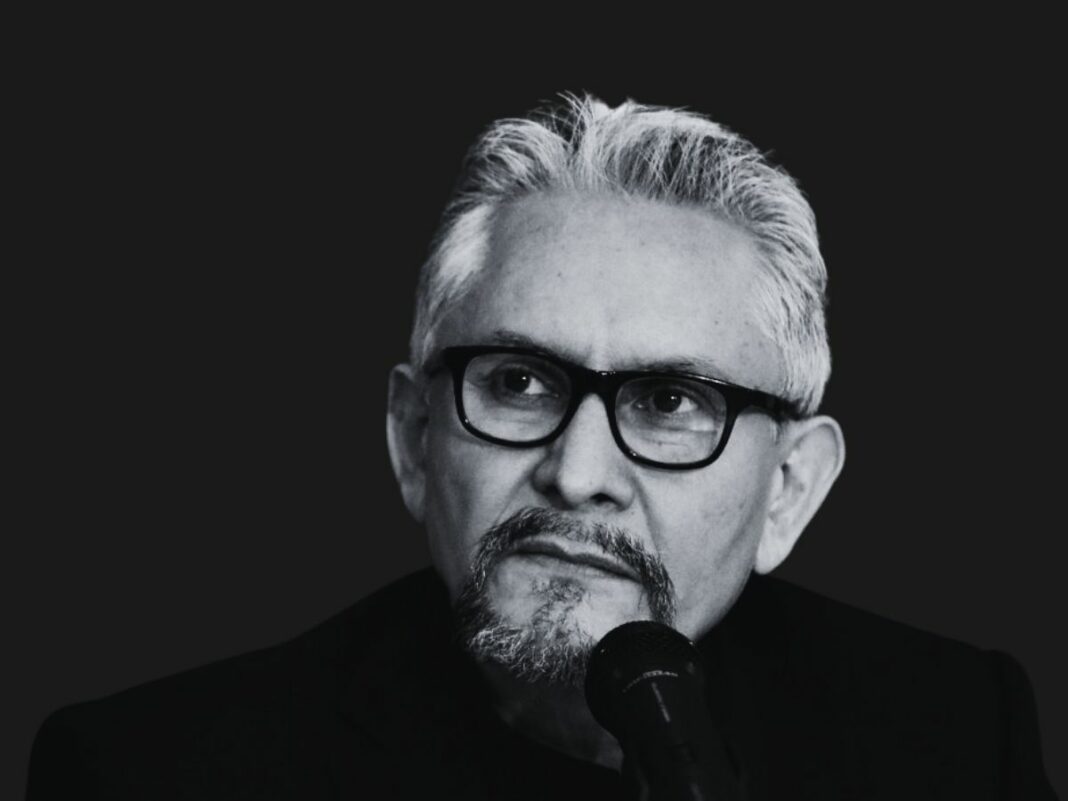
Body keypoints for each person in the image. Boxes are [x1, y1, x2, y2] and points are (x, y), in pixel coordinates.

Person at [26, 94, 1055, 800]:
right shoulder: (145, 775)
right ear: (415, 440)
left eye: (670, 401)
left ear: (788, 490)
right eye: (520, 383)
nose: (577, 473)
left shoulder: (957, 738)